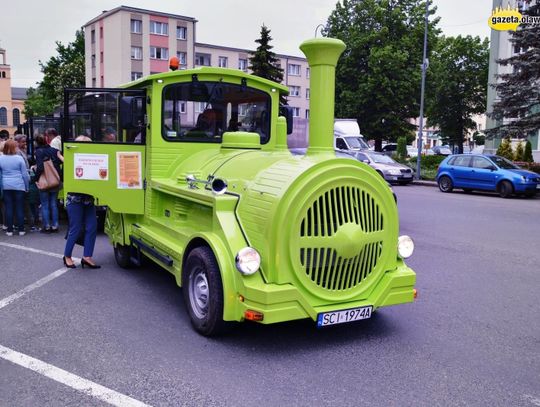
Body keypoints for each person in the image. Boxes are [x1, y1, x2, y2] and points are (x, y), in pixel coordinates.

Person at [63, 135, 100, 269]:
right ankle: (67, 256)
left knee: (92, 227)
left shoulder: (92, 159)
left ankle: (87, 257)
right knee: (75, 228)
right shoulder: (72, 159)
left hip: (88, 199)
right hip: (75, 199)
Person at [0, 140, 30, 236]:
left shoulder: (1, 158)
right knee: (19, 207)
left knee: (9, 207)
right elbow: (24, 175)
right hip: (19, 185)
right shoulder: (19, 158)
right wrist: (27, 186)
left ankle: (9, 230)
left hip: (5, 185)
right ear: (14, 148)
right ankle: (21, 230)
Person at [34, 134, 62, 233]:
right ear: (46, 140)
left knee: (45, 204)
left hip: (44, 181)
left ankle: (47, 226)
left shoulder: (38, 152)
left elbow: (40, 167)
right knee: (54, 204)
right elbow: (60, 162)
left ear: (36, 142)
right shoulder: (54, 150)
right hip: (55, 180)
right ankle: (55, 225)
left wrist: (36, 179)